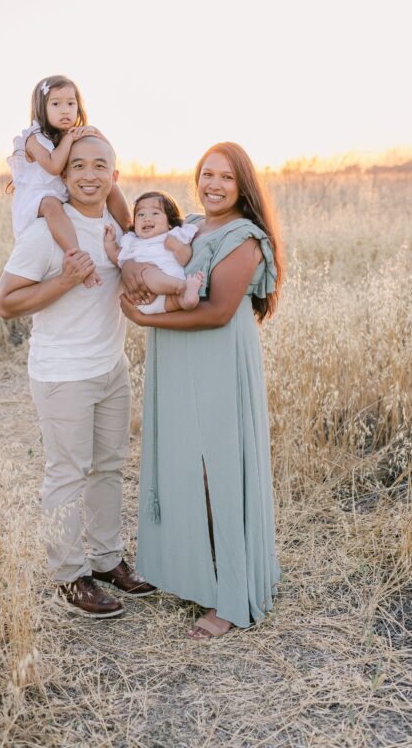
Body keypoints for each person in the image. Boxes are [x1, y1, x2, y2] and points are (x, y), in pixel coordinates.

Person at [120, 142, 283, 639]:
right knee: (183, 467)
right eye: (207, 174)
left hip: (216, 361)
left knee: (218, 472)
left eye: (226, 178)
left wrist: (140, 315)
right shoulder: (188, 226)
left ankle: (231, 599)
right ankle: (193, 573)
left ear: (243, 187)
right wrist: (132, 271)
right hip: (176, 361)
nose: (213, 185)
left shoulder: (245, 237)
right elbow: (135, 246)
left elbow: (215, 312)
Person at [0, 134, 156, 618]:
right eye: (79, 166)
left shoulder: (118, 230)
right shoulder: (46, 233)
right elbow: (6, 303)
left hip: (111, 368)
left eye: (100, 165)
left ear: (115, 175)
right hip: (62, 374)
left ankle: (107, 561)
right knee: (67, 475)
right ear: (64, 176)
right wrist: (64, 279)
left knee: (108, 468)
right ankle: (69, 577)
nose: (89, 174)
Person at [7, 74, 131, 284]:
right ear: (41, 109)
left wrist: (96, 132)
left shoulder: (70, 134)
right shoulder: (33, 138)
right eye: (56, 104)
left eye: (71, 103)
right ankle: (77, 256)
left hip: (61, 188)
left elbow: (108, 157)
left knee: (109, 183)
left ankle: (130, 230)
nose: (65, 110)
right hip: (39, 196)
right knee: (52, 206)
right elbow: (54, 167)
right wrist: (69, 139)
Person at [104, 190, 204, 314]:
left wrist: (177, 246)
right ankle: (183, 286)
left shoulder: (174, 235)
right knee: (146, 271)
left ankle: (188, 299)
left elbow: (185, 258)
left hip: (169, 293)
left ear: (170, 223)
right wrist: (110, 242)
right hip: (144, 299)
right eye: (140, 215)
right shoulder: (132, 241)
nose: (147, 218)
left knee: (182, 302)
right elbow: (117, 256)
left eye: (155, 213)